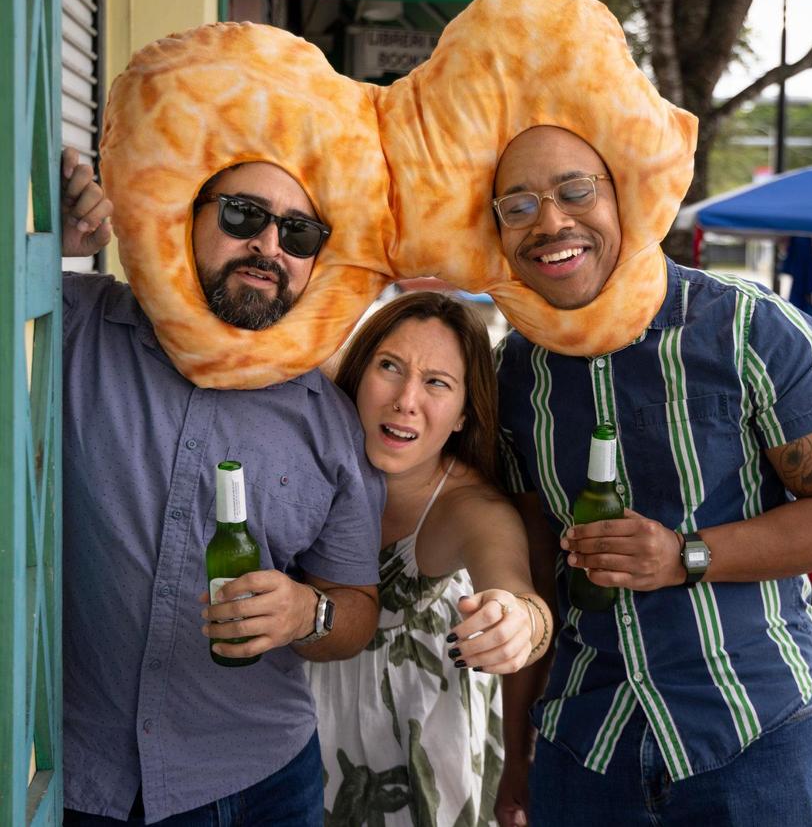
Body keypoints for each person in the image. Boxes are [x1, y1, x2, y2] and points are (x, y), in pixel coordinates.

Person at [490, 126, 812, 826]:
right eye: (518, 205)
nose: (550, 221)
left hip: (750, 730)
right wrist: (516, 748)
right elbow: (532, 571)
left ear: (626, 196)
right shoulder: (515, 373)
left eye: (575, 191)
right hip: (585, 740)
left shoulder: (750, 328)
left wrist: (686, 556)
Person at [60, 148, 384, 825]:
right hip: (72, 768)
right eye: (244, 214)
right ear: (190, 219)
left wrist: (308, 613)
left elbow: (356, 606)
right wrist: (38, 249)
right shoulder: (75, 322)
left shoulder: (331, 424)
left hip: (256, 783)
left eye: (299, 233)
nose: (269, 244)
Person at [307, 291, 552, 826]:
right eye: (389, 367)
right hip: (299, 754)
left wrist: (518, 623)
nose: (405, 399)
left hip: (422, 771)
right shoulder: (311, 454)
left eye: (437, 383)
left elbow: (518, 594)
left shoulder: (471, 509)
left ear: (464, 414)